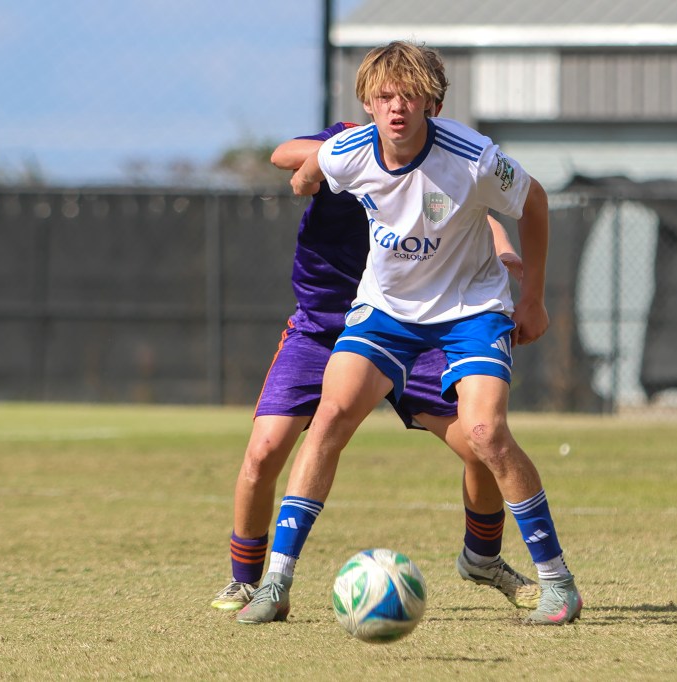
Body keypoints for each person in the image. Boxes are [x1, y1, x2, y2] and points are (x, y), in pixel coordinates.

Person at [237, 41, 582, 627]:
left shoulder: (472, 158)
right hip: (386, 311)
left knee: (486, 434)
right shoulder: (348, 150)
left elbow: (536, 202)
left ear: (432, 103)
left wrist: (533, 298)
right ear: (368, 104)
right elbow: (306, 165)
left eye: (410, 95)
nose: (397, 107)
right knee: (332, 416)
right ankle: (275, 583)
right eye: (384, 96)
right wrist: (309, 174)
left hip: (471, 309)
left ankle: (558, 582)